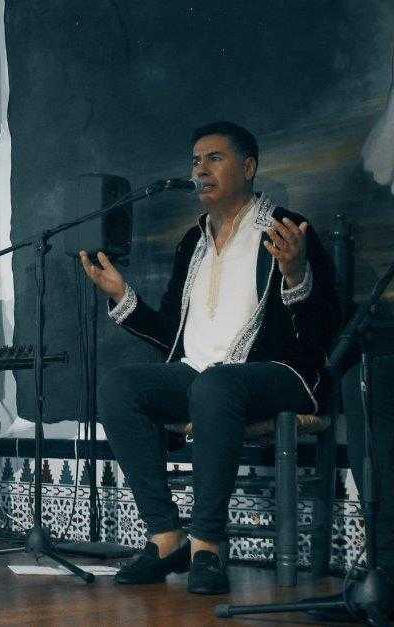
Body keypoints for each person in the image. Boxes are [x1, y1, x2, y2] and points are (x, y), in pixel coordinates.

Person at [80, 121, 340, 595]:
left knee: (215, 383)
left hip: (280, 376)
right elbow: (174, 340)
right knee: (119, 385)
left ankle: (207, 546)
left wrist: (296, 272)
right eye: (195, 161)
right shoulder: (191, 243)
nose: (201, 169)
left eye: (214, 158)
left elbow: (322, 334)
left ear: (248, 167)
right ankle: (166, 537)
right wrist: (123, 295)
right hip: (199, 378)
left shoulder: (286, 229)